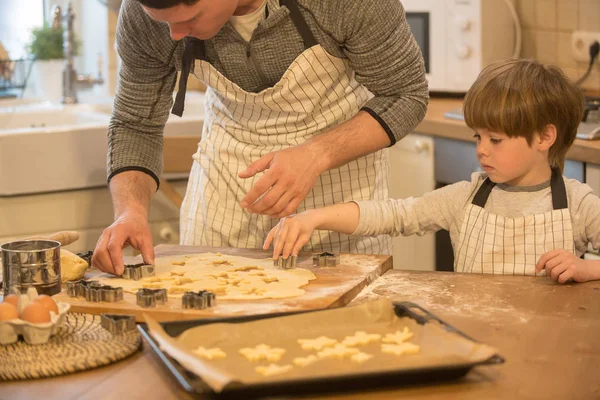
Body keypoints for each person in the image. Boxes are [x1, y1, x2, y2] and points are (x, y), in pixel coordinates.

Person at [92, 0, 429, 275]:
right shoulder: (142, 16)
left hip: (337, 183)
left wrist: (315, 154)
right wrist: (130, 211)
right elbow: (135, 123)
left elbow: (406, 94)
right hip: (226, 183)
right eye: (165, 23)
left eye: (190, 18)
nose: (175, 34)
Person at [265, 59, 600, 284]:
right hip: (480, 341)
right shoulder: (466, 198)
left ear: (544, 137)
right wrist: (314, 217)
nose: (481, 149)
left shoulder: (578, 204)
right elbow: (396, 215)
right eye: (478, 137)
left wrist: (587, 268)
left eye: (495, 139)